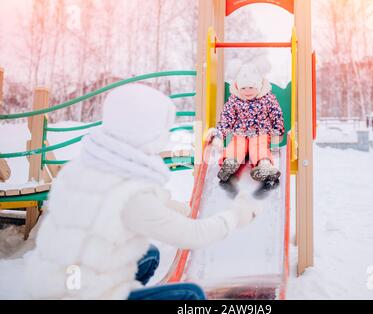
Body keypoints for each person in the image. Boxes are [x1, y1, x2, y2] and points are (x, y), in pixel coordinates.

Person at [0, 84, 262, 300]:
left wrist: (182, 209)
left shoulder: (83, 168)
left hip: (57, 282)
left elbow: (117, 205)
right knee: (190, 296)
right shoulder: (132, 197)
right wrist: (234, 217)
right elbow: (192, 236)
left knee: (148, 255)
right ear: (146, 133)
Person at [206, 62, 285, 183]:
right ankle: (229, 163)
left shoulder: (268, 99)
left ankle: (264, 165)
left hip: (261, 133)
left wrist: (278, 131)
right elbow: (226, 119)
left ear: (258, 86)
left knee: (258, 146)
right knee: (236, 146)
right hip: (240, 133)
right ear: (238, 87)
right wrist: (219, 135)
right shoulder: (234, 101)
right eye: (243, 88)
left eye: (251, 87)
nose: (247, 91)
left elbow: (276, 115)